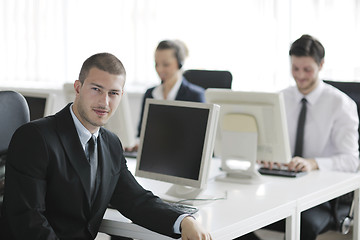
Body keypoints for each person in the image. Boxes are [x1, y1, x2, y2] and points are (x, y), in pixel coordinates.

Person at [1, 53, 212, 240]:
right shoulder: (36, 138)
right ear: (78, 88)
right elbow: (29, 220)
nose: (105, 102)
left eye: (113, 93)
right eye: (96, 89)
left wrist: (184, 220)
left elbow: (135, 200)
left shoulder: (110, 143)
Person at [239, 34, 360, 240]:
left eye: (307, 70)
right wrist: (264, 154)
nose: (300, 76)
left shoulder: (341, 104)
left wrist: (312, 163)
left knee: (302, 224)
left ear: (321, 65)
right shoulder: (280, 99)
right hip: (280, 188)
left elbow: (351, 161)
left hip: (320, 197)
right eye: (295, 69)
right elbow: (266, 144)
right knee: (238, 213)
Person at [126, 40, 205, 153]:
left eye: (166, 64)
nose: (159, 69)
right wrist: (137, 144)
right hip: (154, 156)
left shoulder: (195, 96)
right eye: (156, 64)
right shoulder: (150, 94)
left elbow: (199, 141)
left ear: (179, 63)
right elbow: (141, 133)